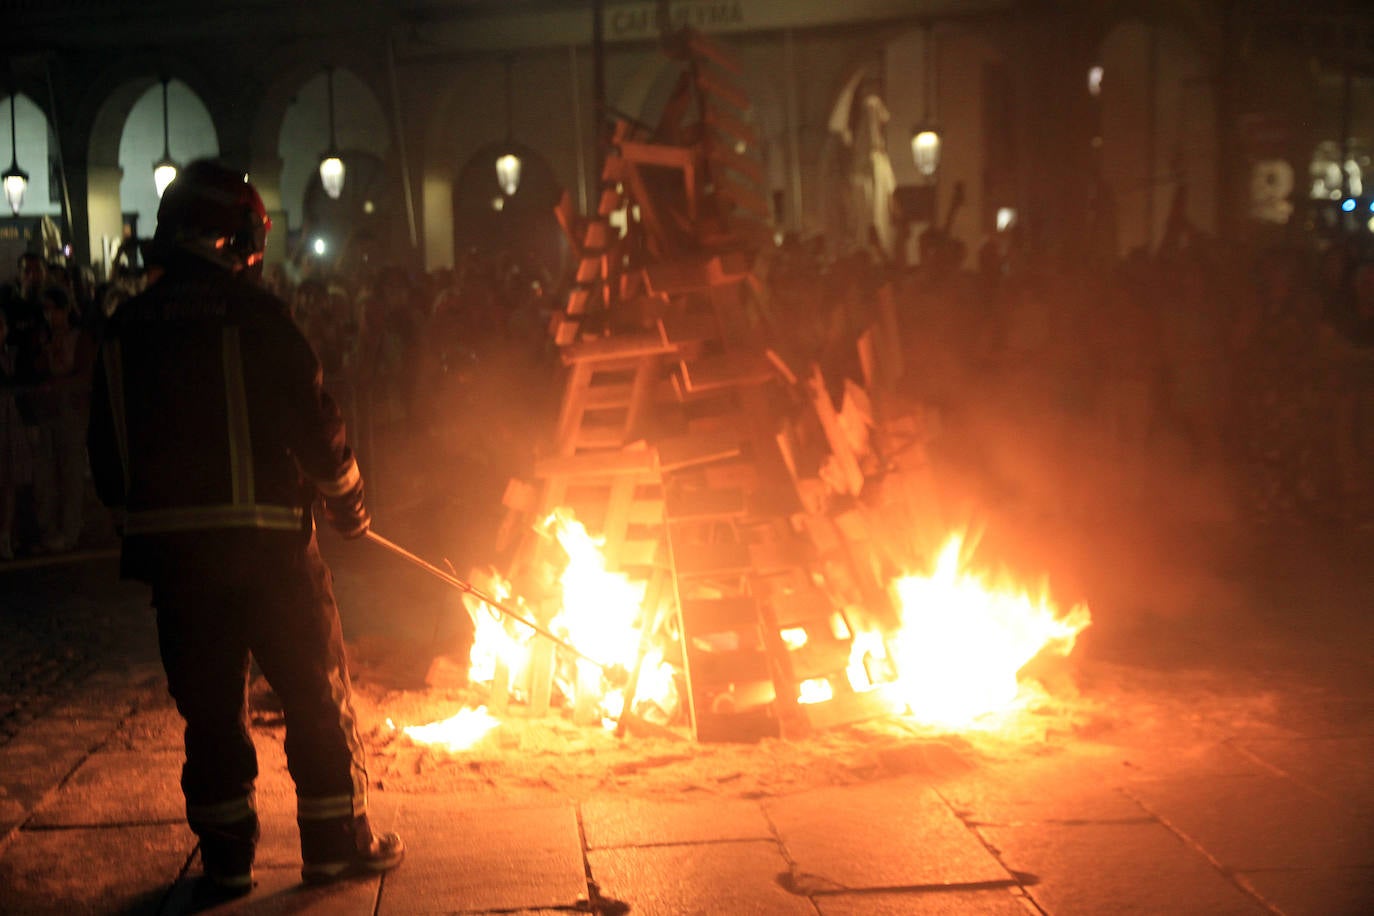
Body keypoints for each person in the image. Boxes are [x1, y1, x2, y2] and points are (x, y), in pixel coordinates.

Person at [86, 159, 403, 897]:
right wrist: (348, 501)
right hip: (269, 553)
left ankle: (227, 860)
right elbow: (315, 422)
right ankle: (334, 844)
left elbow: (105, 452)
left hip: (177, 565)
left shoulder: (124, 328)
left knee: (210, 710)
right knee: (314, 694)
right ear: (237, 235)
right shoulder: (258, 317)